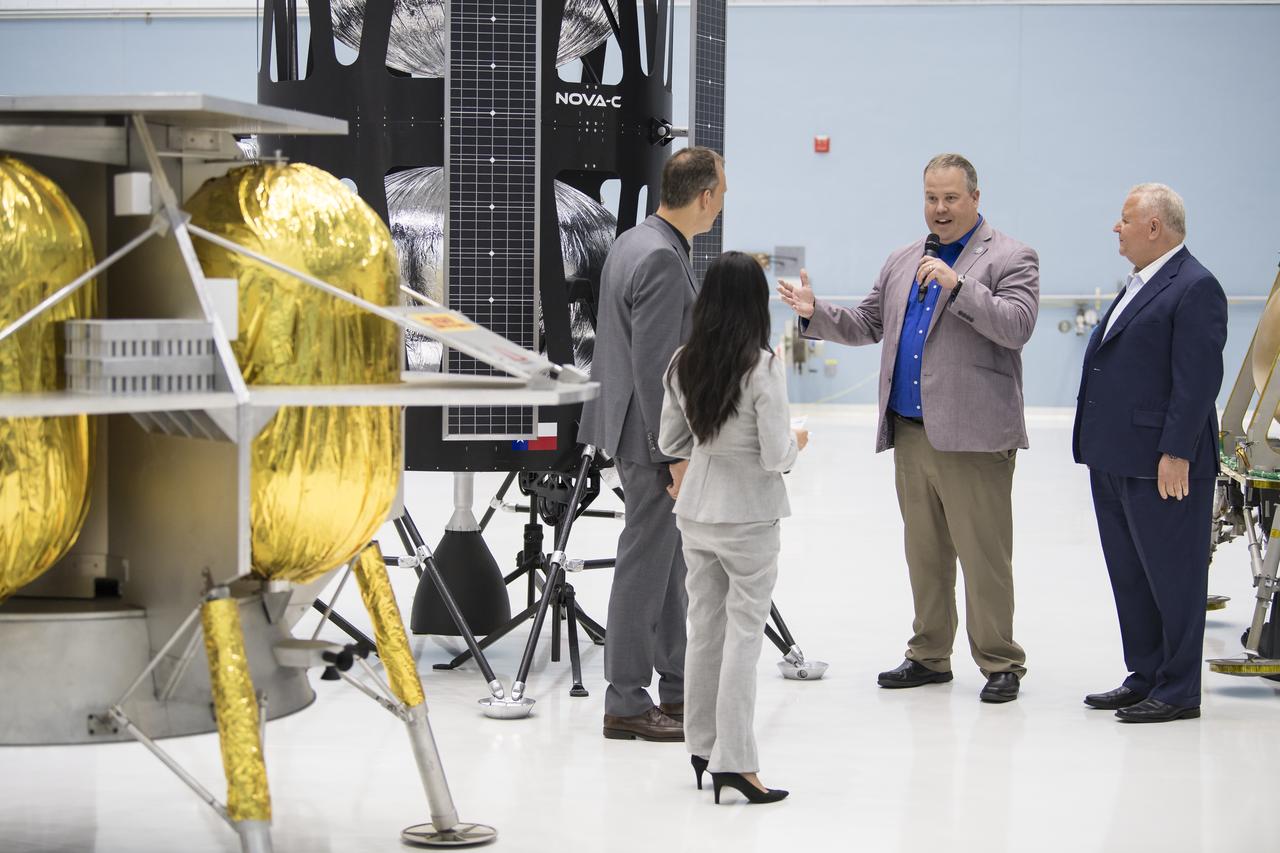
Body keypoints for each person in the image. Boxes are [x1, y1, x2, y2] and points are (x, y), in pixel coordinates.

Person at [777, 153, 1038, 703]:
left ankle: (1000, 660)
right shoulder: (902, 259)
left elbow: (1016, 327)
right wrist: (814, 310)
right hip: (912, 432)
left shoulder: (1011, 256)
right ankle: (928, 654)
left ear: (975, 197)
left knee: (983, 554)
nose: (939, 209)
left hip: (975, 436)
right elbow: (869, 322)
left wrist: (959, 287)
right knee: (925, 552)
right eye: (930, 198)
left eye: (950, 198)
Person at [578, 146, 727, 741]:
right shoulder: (663, 258)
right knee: (644, 564)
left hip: (627, 427)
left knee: (666, 566)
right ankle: (625, 702)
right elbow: (657, 368)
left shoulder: (635, 240)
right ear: (706, 196)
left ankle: (676, 687)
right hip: (649, 438)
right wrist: (673, 454)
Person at [1073, 183, 1227, 723]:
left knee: (1173, 574)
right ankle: (1145, 675)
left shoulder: (1195, 286)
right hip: (1116, 457)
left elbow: (1199, 379)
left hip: (1162, 461)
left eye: (1124, 219)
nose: (1117, 227)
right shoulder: (1142, 283)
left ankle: (1180, 688)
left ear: (1155, 227)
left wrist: (1177, 451)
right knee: (1131, 573)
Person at [659, 251, 806, 804]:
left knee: (706, 629)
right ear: (754, 304)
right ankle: (737, 763)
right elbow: (775, 455)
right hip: (749, 515)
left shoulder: (681, 362)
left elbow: (671, 443)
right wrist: (799, 445)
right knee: (745, 634)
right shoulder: (763, 366)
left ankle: (702, 748)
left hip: (695, 511)